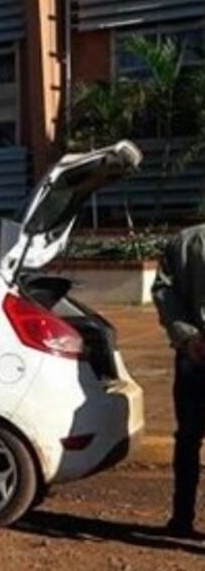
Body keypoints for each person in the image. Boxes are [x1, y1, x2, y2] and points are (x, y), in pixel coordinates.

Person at [152, 223, 205, 539]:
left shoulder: (185, 241)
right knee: (187, 438)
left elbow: (163, 290)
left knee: (188, 438)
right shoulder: (186, 241)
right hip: (195, 354)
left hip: (194, 354)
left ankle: (181, 518)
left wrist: (187, 337)